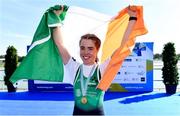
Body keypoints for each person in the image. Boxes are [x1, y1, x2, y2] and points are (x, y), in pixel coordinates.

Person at [53, 5, 137, 115]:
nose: (85, 52)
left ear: (97, 50)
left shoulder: (102, 68)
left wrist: (132, 18)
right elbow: (59, 44)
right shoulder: (74, 67)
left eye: (90, 48)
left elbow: (123, 46)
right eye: (82, 48)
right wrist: (56, 18)